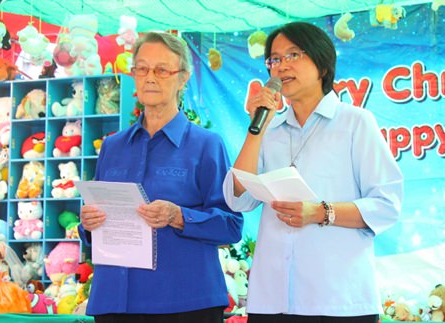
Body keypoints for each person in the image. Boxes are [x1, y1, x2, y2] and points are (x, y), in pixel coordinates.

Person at [223, 22, 403, 323]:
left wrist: (320, 212)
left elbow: (387, 205)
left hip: (337, 299)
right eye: (275, 59)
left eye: (293, 55)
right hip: (272, 299)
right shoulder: (269, 129)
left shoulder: (355, 123)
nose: (281, 67)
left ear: (321, 64)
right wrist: (256, 129)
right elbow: (238, 200)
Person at [78, 31, 243, 323]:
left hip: (185, 302)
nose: (150, 77)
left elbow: (230, 226)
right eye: (142, 68)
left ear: (183, 78)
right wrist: (89, 225)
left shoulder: (207, 144)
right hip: (114, 302)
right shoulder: (112, 146)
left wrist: (179, 216)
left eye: (162, 70)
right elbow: (95, 232)